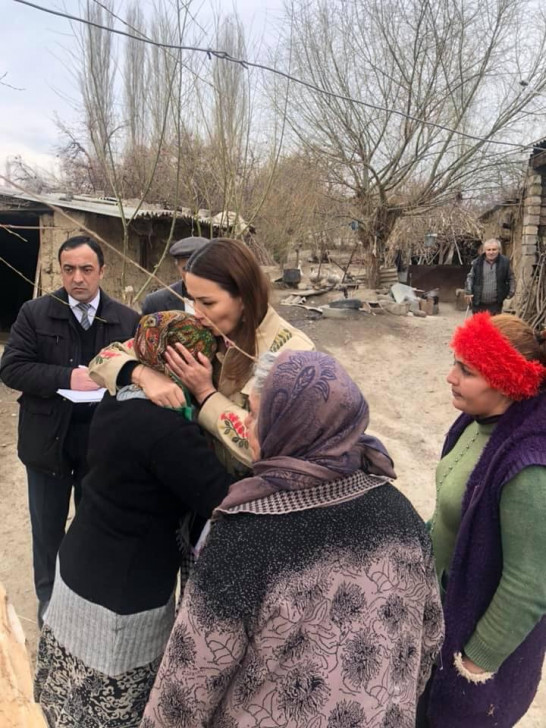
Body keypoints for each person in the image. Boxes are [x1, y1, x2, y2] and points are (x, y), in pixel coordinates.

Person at [141, 350, 444, 728]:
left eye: (256, 414)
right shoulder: (400, 514)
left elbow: (184, 691)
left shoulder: (246, 538)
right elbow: (429, 638)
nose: (246, 423)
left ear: (290, 427)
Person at [34, 312, 234, 728]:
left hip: (80, 565)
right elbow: (222, 497)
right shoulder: (169, 431)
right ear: (188, 364)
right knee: (110, 708)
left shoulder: (120, 396)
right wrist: (210, 398)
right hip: (122, 598)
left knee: (69, 697)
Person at [0, 235, 139, 627]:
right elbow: (11, 368)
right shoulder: (35, 313)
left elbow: (139, 376)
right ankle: (49, 603)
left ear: (102, 271)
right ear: (60, 271)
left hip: (102, 443)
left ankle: (87, 604)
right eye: (69, 269)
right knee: (47, 528)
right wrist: (66, 377)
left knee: (95, 527)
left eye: (86, 269)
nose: (77, 278)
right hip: (48, 441)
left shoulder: (126, 320)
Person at [89, 238, 314, 474]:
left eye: (208, 302)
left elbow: (273, 447)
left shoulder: (293, 355)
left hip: (254, 490)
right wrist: (143, 375)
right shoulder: (193, 330)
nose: (197, 312)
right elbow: (104, 359)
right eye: (192, 300)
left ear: (245, 296)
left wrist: (205, 394)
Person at [419, 313, 546, 727]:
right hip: (442, 617)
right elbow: (447, 512)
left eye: (467, 371)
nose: (450, 377)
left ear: (507, 382)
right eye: (455, 363)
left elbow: (529, 585)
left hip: (469, 651)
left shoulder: (527, 467)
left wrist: (473, 665)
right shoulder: (475, 423)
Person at [140, 236, 210, 315]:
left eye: (200, 268)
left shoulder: (222, 297)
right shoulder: (156, 303)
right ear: (177, 266)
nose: (193, 275)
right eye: (186, 269)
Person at [464, 238, 515, 315]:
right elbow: (470, 277)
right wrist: (468, 291)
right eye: (488, 250)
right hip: (478, 303)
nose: (491, 252)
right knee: (479, 323)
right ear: (484, 251)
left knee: (494, 322)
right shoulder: (477, 262)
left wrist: (511, 291)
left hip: (496, 304)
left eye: (494, 249)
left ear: (499, 250)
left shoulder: (505, 262)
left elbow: (511, 277)